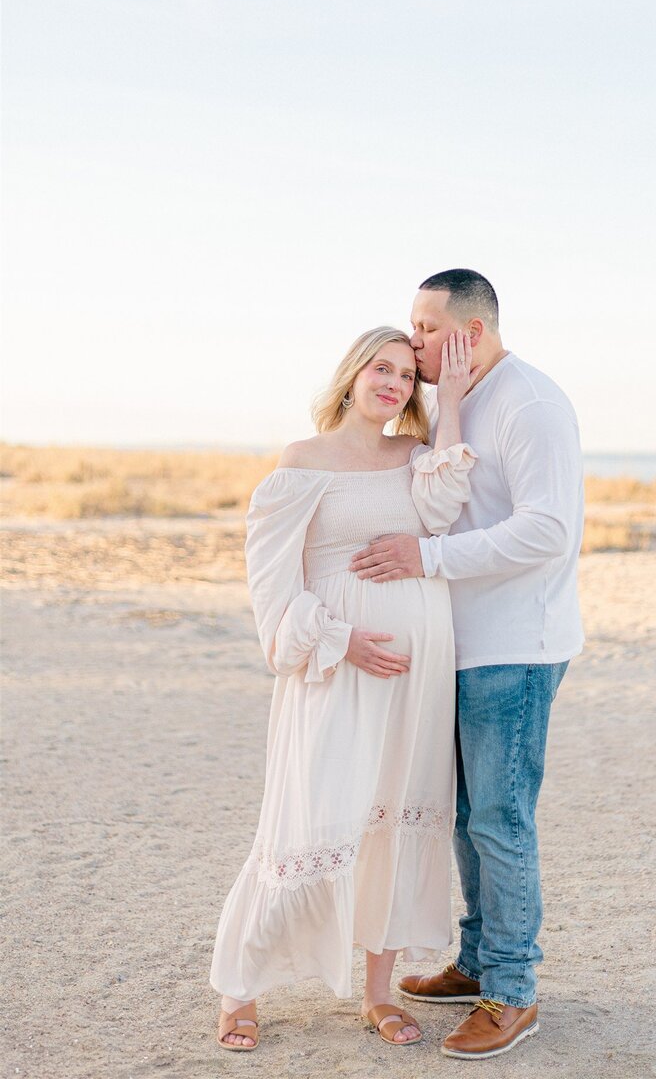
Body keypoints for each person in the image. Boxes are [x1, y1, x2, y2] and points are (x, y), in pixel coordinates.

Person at [209, 325, 478, 1051]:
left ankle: (378, 994)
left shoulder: (415, 457)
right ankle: (240, 990)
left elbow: (443, 513)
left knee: (395, 818)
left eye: (406, 376)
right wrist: (341, 640)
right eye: (381, 369)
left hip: (416, 678)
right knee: (306, 817)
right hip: (334, 666)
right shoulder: (303, 461)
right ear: (353, 375)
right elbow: (272, 587)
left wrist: (451, 401)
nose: (393, 384)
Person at [350, 270, 584, 1060]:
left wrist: (427, 558)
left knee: (500, 819)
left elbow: (547, 530)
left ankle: (512, 992)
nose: (413, 340)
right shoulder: (460, 398)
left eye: (426, 327)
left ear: (471, 332)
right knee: (464, 815)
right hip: (461, 644)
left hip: (516, 647)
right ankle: (478, 960)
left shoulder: (530, 403)